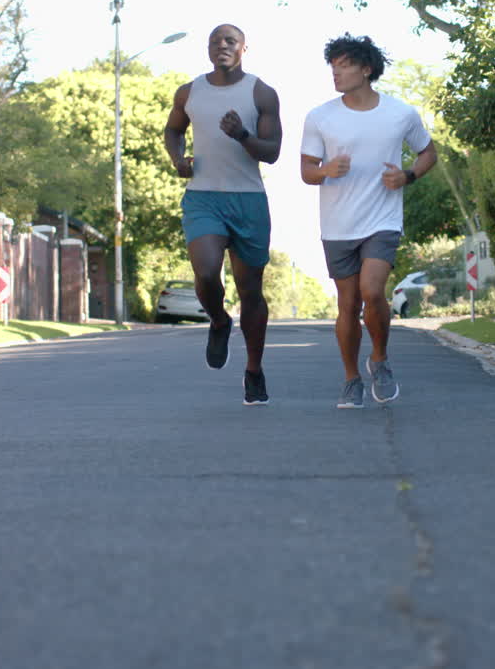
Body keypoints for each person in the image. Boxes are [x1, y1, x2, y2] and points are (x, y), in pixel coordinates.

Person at [300, 33, 437, 408]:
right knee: (347, 305)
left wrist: (408, 175)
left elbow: (428, 152)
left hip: (383, 219)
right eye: (333, 66)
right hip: (338, 224)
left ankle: (379, 358)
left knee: (372, 291)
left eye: (344, 65)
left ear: (366, 69)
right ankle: (350, 378)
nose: (336, 72)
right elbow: (306, 171)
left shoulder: (400, 114)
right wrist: (326, 168)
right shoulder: (320, 116)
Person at [164, 23, 282, 404]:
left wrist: (242, 135)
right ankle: (218, 319)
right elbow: (173, 131)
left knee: (251, 291)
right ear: (208, 49)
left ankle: (254, 371)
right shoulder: (190, 91)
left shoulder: (261, 92)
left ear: (245, 48)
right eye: (215, 41)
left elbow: (272, 151)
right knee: (206, 271)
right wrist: (177, 158)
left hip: (248, 200)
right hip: (203, 197)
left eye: (230, 41)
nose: (222, 46)